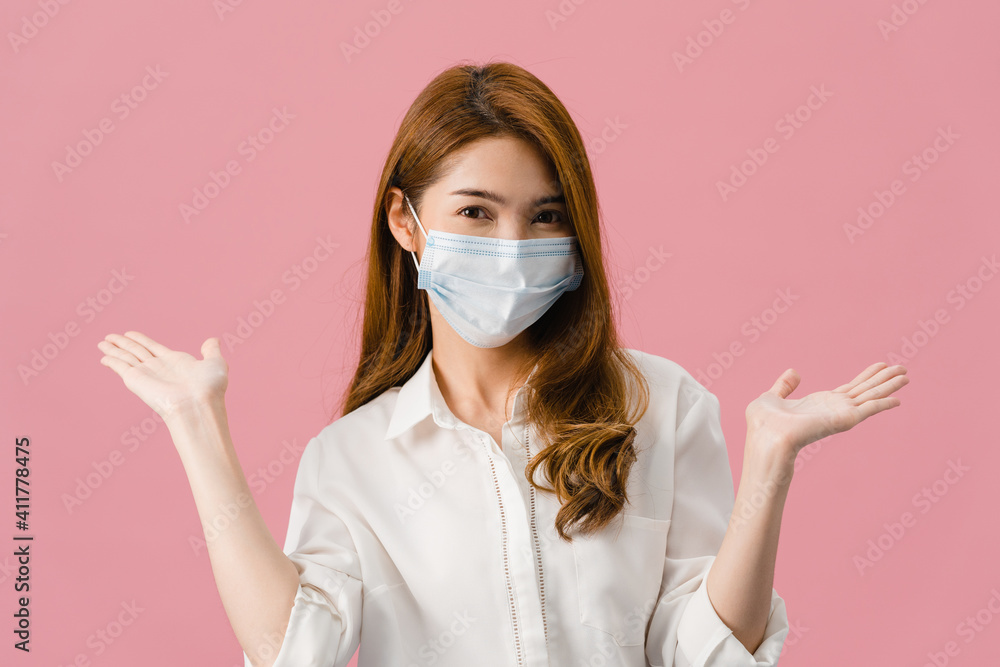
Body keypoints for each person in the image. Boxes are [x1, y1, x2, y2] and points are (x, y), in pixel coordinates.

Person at [96, 61, 909, 667]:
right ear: (406, 222)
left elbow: (702, 651)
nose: (513, 251)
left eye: (544, 216)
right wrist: (198, 429)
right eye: (476, 213)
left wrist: (770, 462)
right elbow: (295, 649)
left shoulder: (663, 405)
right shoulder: (351, 459)